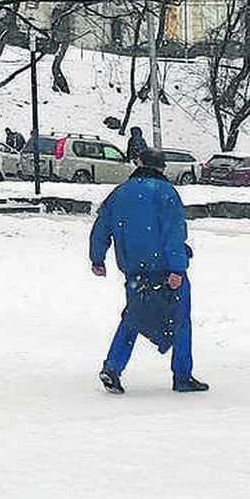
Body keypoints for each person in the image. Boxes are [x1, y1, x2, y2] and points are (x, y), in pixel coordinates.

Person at [89, 147, 208, 394]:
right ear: (161, 167)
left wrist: (97, 258)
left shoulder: (120, 193)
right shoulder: (165, 193)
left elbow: (101, 226)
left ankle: (112, 366)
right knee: (181, 321)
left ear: (139, 163)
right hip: (164, 269)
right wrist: (177, 268)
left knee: (133, 316)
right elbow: (174, 233)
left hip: (134, 270)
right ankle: (182, 376)